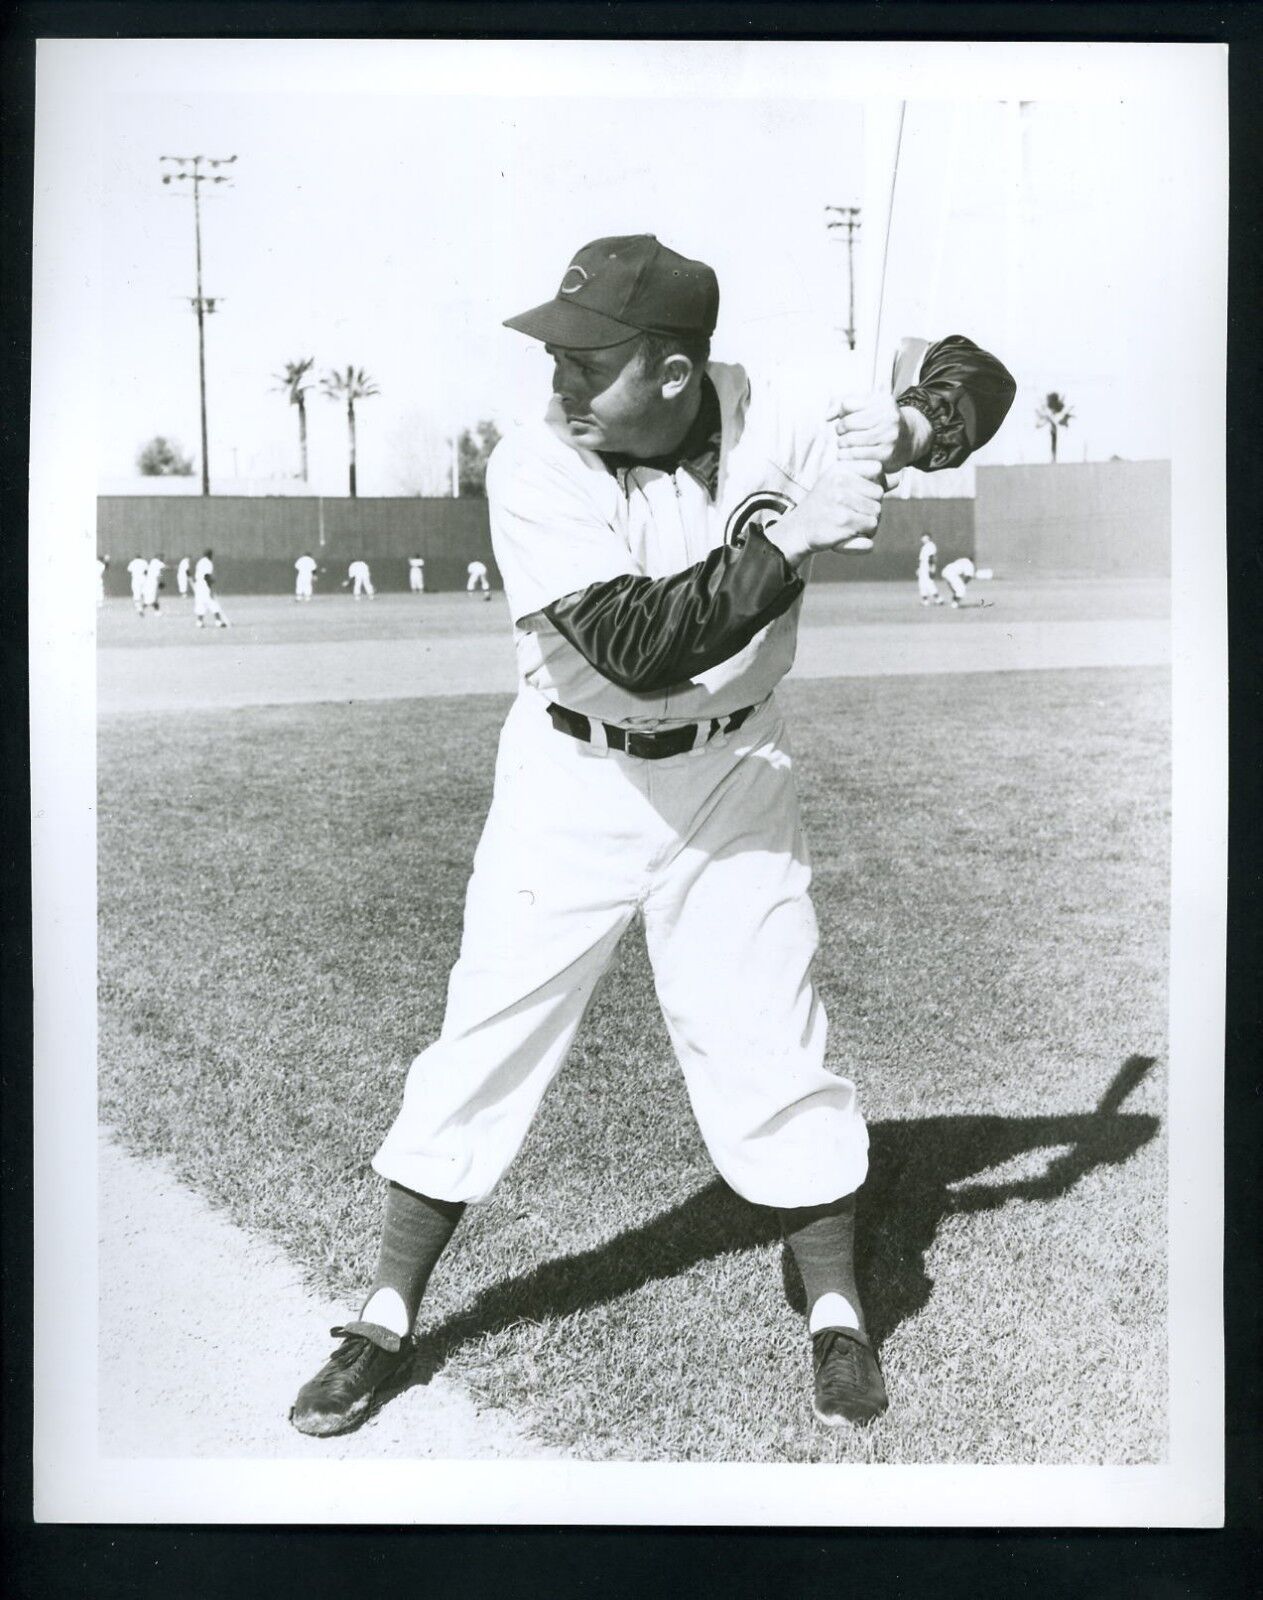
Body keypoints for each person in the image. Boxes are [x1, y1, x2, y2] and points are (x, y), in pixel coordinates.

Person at [289, 233, 1014, 1440]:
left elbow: (973, 370)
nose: (560, 386)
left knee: (772, 1030)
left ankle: (838, 1312)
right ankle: (381, 1316)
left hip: (733, 769)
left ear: (676, 374)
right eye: (557, 359)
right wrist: (796, 537)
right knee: (490, 1026)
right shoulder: (535, 464)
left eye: (589, 363)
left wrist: (913, 424)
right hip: (574, 771)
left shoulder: (779, 402)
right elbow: (636, 641)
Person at [193, 548, 230, 628]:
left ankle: (199, 622)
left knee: (201, 603)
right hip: (204, 585)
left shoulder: (200, 562)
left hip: (198, 585)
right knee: (213, 603)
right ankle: (218, 622)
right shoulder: (208, 562)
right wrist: (210, 588)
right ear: (210, 555)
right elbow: (207, 576)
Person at [916, 532, 944, 606]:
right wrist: (919, 568)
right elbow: (921, 559)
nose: (922, 538)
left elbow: (932, 557)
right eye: (922, 537)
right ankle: (925, 600)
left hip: (927, 566)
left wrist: (932, 568)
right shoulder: (924, 547)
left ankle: (939, 599)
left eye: (924, 537)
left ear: (928, 537)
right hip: (923, 566)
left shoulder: (931, 545)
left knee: (929, 583)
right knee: (922, 584)